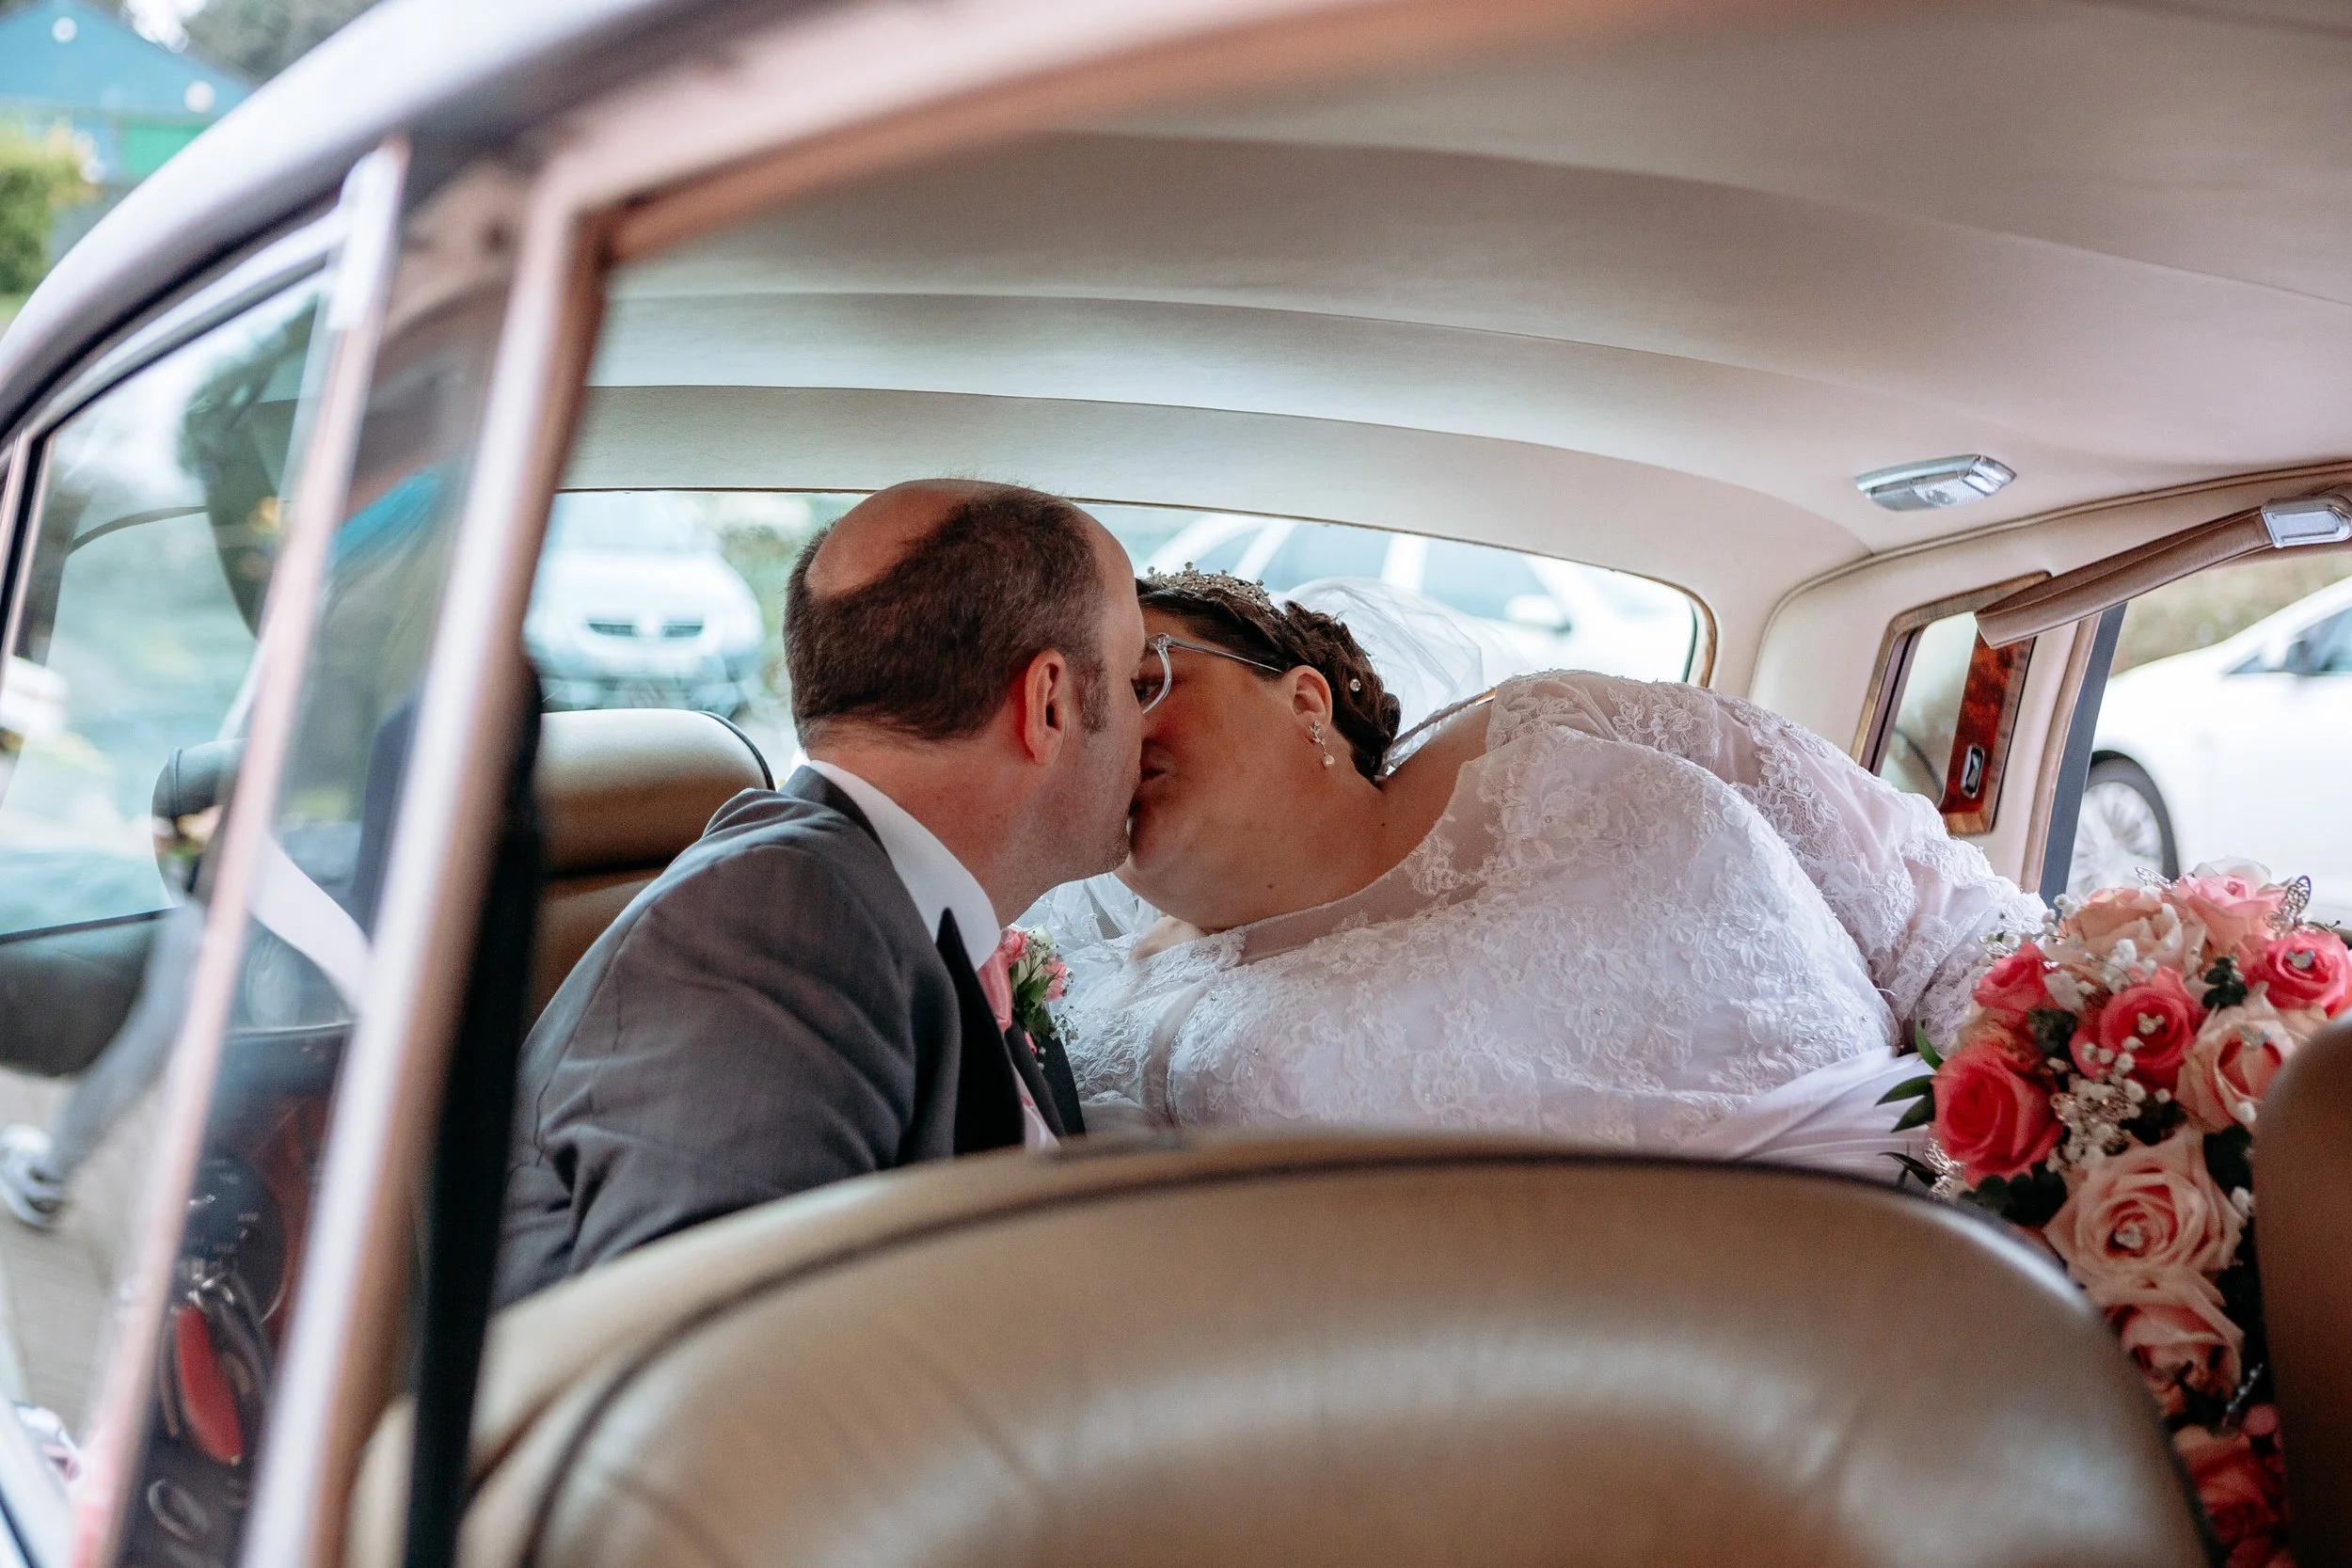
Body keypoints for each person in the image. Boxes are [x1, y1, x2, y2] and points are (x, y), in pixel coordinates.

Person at [1047, 569, 2043, 1175]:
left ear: (1306, 699)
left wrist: (2068, 1139)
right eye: (1081, 723)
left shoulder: (1570, 726)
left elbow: (1954, 933)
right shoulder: (1096, 1014)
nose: (1112, 738)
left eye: (1146, 681)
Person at [495, 480, 1145, 1306]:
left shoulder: (876, 907)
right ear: (1047, 701)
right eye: (1132, 679)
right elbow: (725, 1369)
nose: (1145, 723)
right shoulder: (778, 922)